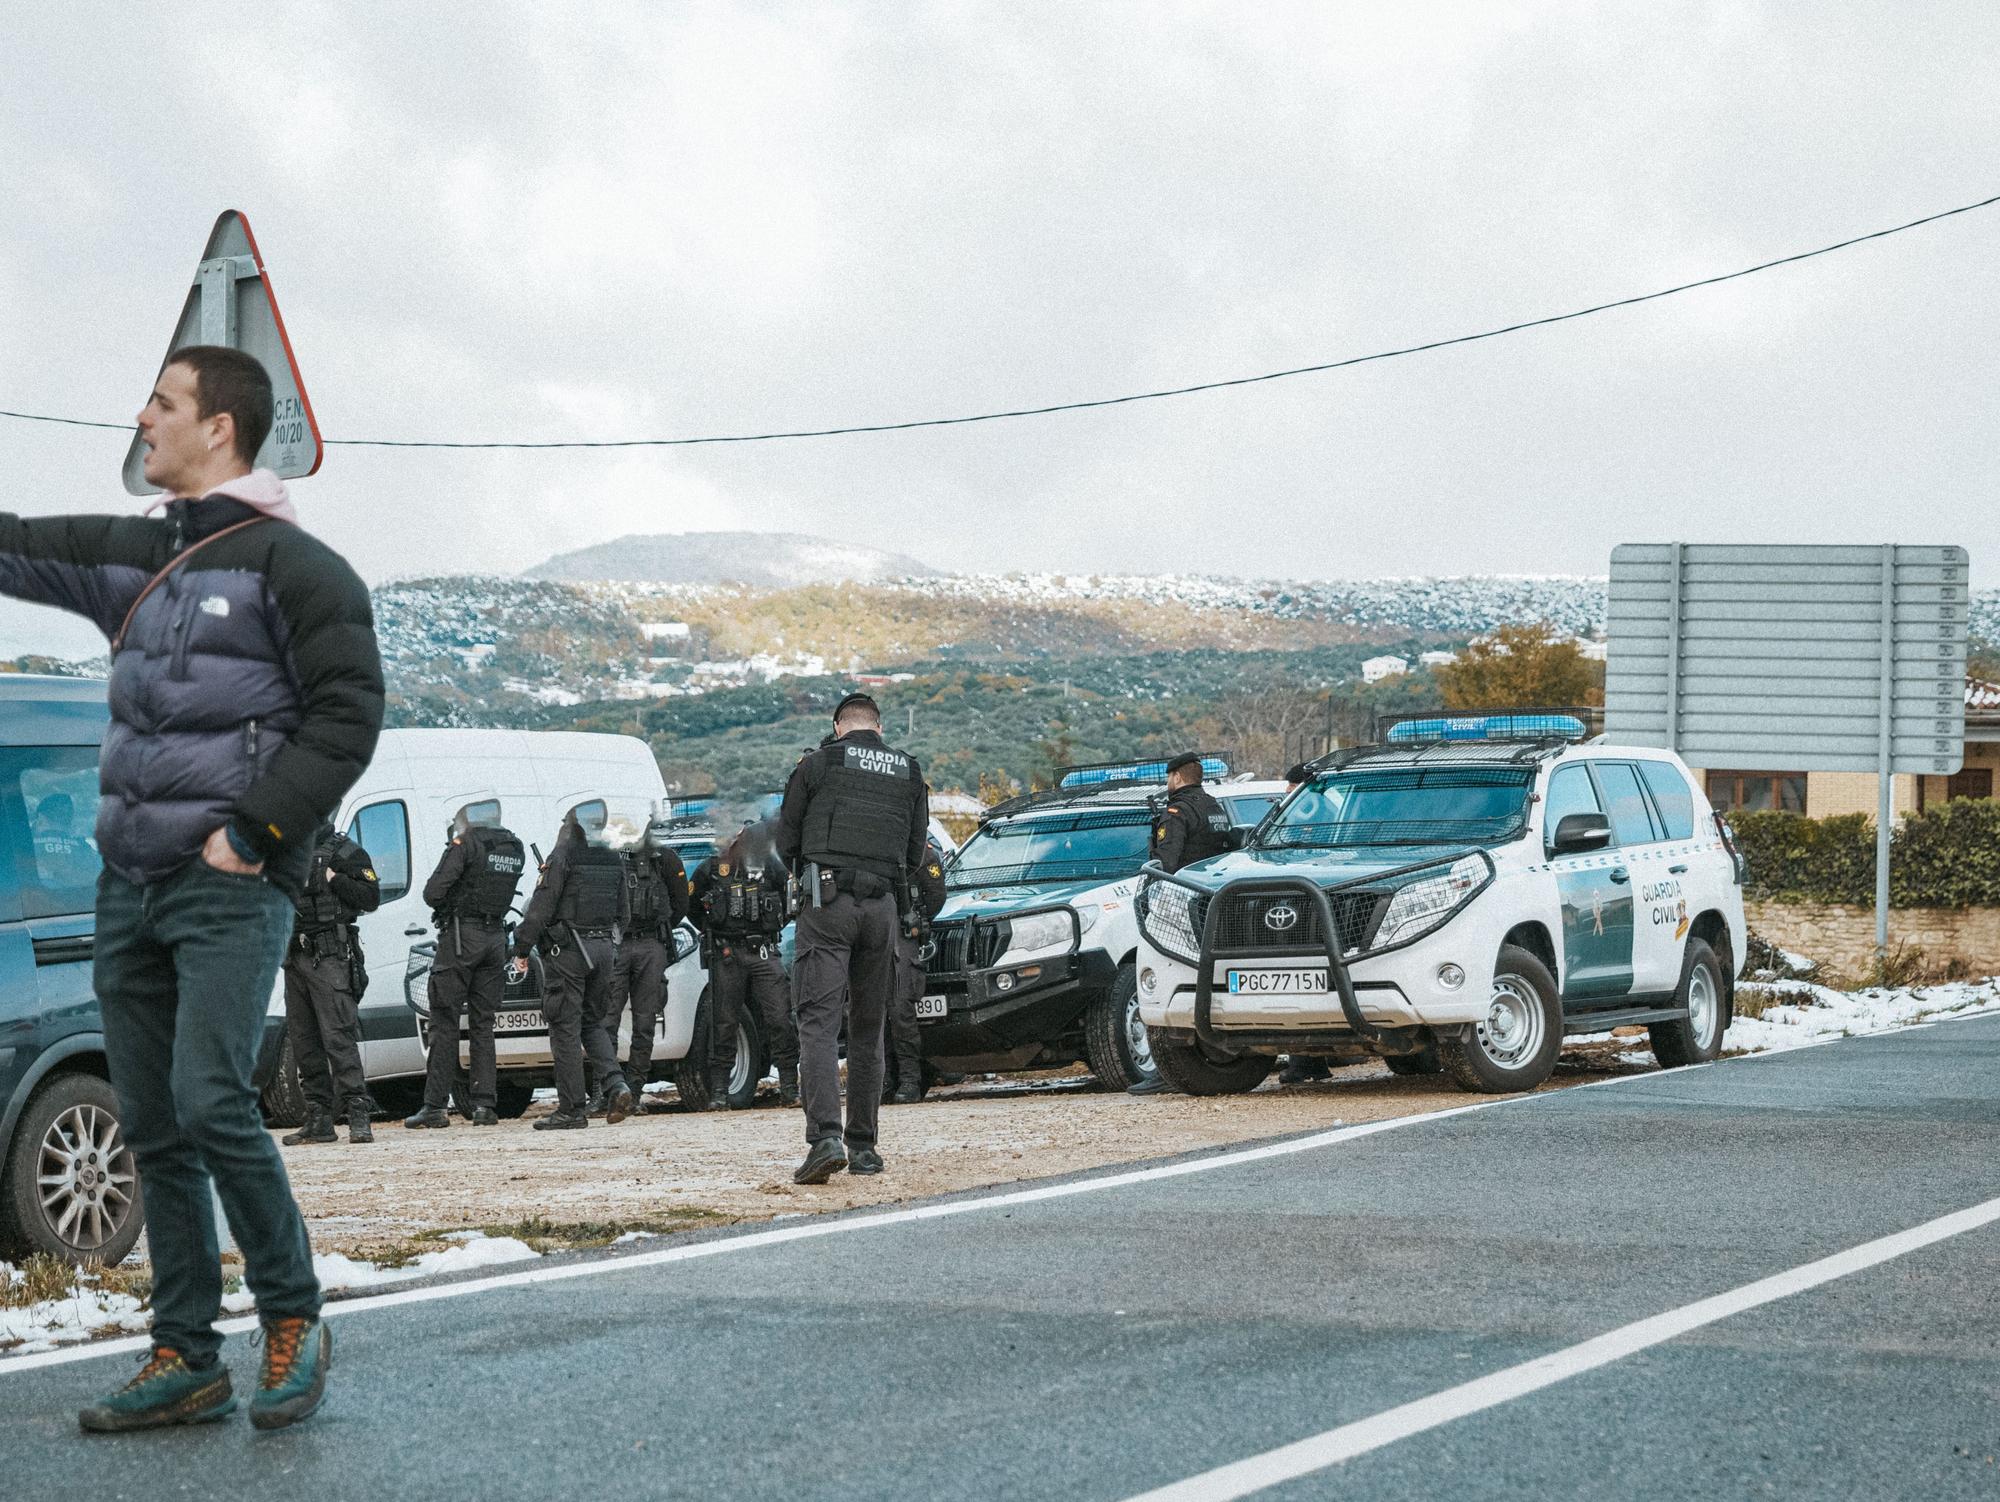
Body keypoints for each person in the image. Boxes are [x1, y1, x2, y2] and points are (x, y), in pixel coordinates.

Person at [0, 346, 380, 1432]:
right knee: (154, 1118)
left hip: (229, 880)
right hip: (131, 878)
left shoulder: (297, 568)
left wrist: (255, 830)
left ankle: (294, 1315)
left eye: (163, 402)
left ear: (220, 427)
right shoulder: (138, 556)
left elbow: (347, 712)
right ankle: (184, 1349)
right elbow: (18, 543)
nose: (143, 417)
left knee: (213, 1097)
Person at [776, 693, 928, 1183]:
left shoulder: (818, 764)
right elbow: (915, 850)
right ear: (878, 727)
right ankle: (864, 1148)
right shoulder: (909, 771)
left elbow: (787, 841)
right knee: (868, 1029)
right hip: (882, 907)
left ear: (838, 725)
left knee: (817, 1024)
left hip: (828, 903)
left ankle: (825, 1138)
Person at [405, 801, 526, 1129]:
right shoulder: (513, 846)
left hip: (461, 940)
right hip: (495, 940)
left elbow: (433, 893)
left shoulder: (466, 845)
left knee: (443, 1023)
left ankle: (434, 1107)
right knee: (482, 1025)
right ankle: (485, 1106)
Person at [510, 804, 627, 1130]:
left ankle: (571, 1110)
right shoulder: (611, 856)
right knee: (593, 1023)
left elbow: (540, 908)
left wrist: (521, 948)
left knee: (565, 1028)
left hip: (570, 953)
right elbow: (624, 913)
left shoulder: (563, 855)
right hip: (604, 950)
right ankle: (616, 1085)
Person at [1129, 753, 1236, 1097]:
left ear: (1175, 777)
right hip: (1217, 902)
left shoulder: (1176, 812)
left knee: (1172, 980)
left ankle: (1169, 1068)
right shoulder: (1215, 807)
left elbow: (1166, 862)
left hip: (1181, 903)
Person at [280, 821, 382, 1145]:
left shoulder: (345, 852)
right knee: (303, 1041)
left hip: (329, 957)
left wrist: (335, 879)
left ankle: (358, 1115)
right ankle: (319, 1118)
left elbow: (371, 896)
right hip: (294, 956)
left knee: (338, 1038)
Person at [689, 819, 799, 1110]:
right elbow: (692, 906)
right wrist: (715, 933)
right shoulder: (712, 868)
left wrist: (771, 929)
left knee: (780, 1018)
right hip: (727, 953)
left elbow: (789, 900)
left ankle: (790, 1086)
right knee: (723, 1022)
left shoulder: (770, 865)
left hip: (763, 949)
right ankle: (719, 1092)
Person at [611, 811, 690, 1106]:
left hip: (648, 944)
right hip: (619, 944)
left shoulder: (663, 858)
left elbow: (681, 903)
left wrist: (660, 927)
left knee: (644, 1022)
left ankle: (633, 1088)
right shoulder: (609, 856)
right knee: (606, 1020)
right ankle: (609, 1089)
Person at [1275, 763, 1332, 1085]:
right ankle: (1308, 1060)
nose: (1286, 795)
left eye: (1290, 788)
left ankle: (1306, 1061)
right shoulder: (1318, 806)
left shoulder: (1307, 811)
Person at [884, 833, 948, 1105]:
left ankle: (910, 1078)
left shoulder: (922, 851)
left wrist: (916, 924)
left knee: (901, 1011)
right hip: (874, 934)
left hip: (903, 934)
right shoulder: (869, 845)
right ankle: (884, 1078)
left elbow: (935, 897)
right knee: (870, 1012)